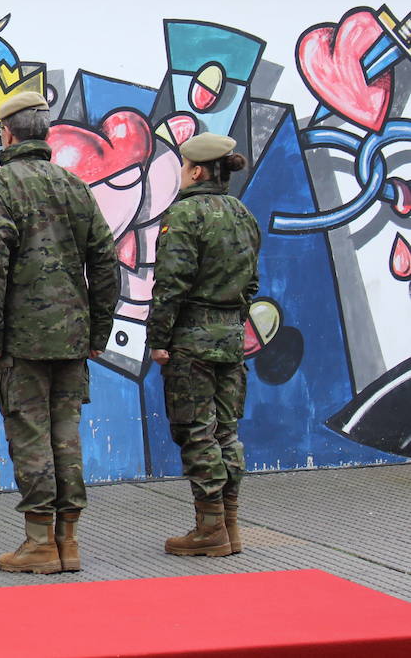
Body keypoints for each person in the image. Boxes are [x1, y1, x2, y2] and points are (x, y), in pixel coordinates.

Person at [0, 92, 118, 574]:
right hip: (73, 336)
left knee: (29, 432)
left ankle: (39, 543)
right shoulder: (74, 186)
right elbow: (104, 260)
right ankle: (68, 541)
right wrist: (98, 327)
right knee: (65, 434)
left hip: (23, 338)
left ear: (6, 134)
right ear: (45, 135)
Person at [148, 132, 260, 557]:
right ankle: (229, 525)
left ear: (196, 171)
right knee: (227, 431)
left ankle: (210, 528)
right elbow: (251, 282)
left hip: (191, 340)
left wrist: (160, 339)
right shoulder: (242, 214)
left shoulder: (185, 215)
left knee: (196, 430)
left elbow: (170, 284)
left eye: (183, 166)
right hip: (231, 337)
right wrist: (231, 318)